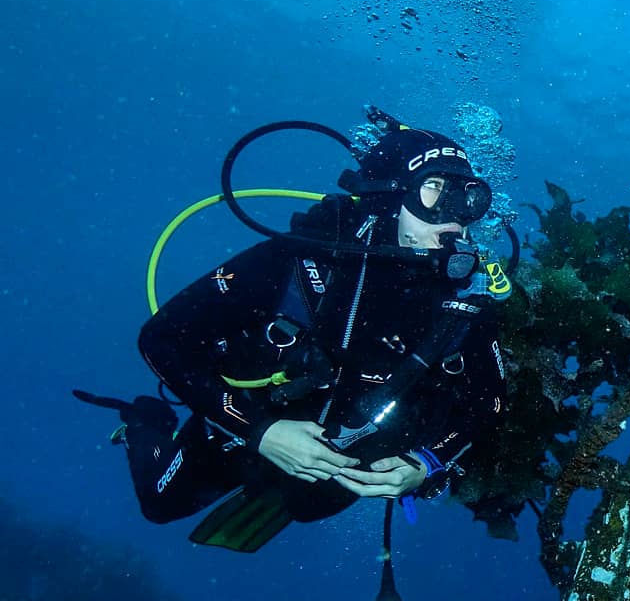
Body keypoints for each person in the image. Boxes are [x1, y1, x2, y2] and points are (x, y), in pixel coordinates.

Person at [75, 111, 508, 557]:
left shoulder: (466, 299)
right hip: (243, 424)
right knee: (160, 505)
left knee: (308, 506)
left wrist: (428, 463)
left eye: (469, 197)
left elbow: (490, 400)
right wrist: (261, 431)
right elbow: (162, 339)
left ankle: (282, 486)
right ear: (388, 196)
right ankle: (145, 424)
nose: (455, 215)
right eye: (434, 190)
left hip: (345, 450)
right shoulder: (299, 261)